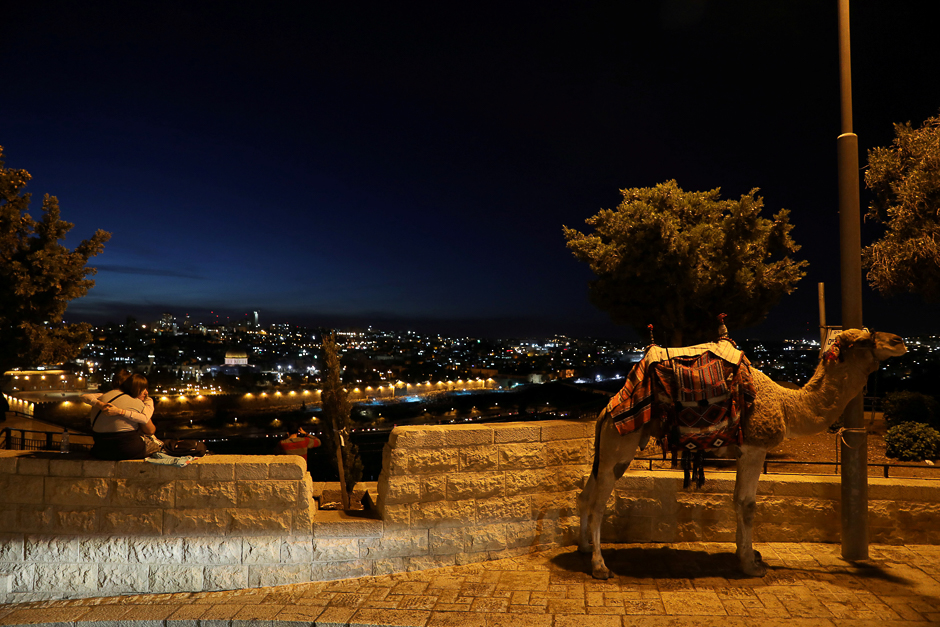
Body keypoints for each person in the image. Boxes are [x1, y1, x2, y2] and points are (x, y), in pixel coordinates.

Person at [82, 372, 159, 460]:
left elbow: (85, 396)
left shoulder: (101, 398)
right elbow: (150, 430)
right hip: (128, 450)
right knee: (157, 446)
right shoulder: (135, 402)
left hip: (100, 450)